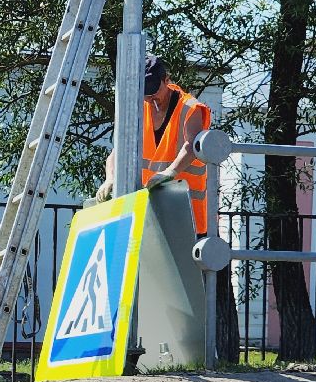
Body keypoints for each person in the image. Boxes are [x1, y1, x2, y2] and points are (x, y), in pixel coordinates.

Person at [94, 54, 238, 362]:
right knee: (156, 288)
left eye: (152, 88)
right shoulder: (140, 109)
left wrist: (171, 172)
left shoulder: (190, 109)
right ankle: (157, 355)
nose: (149, 95)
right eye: (143, 89)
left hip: (191, 217)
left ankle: (211, 357)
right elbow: (116, 153)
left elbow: (191, 145)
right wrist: (111, 178)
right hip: (151, 215)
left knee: (196, 292)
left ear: (166, 79)